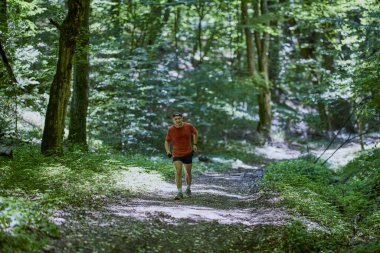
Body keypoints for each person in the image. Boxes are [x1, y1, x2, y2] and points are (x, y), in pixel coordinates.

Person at [165, 112, 198, 200]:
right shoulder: (171, 129)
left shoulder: (188, 126)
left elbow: (195, 133)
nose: (178, 120)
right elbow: (167, 141)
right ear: (173, 120)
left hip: (188, 152)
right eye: (176, 119)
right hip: (176, 153)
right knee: (178, 172)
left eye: (179, 118)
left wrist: (194, 144)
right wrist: (168, 151)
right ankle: (179, 192)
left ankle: (188, 189)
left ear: (182, 119)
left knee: (188, 173)